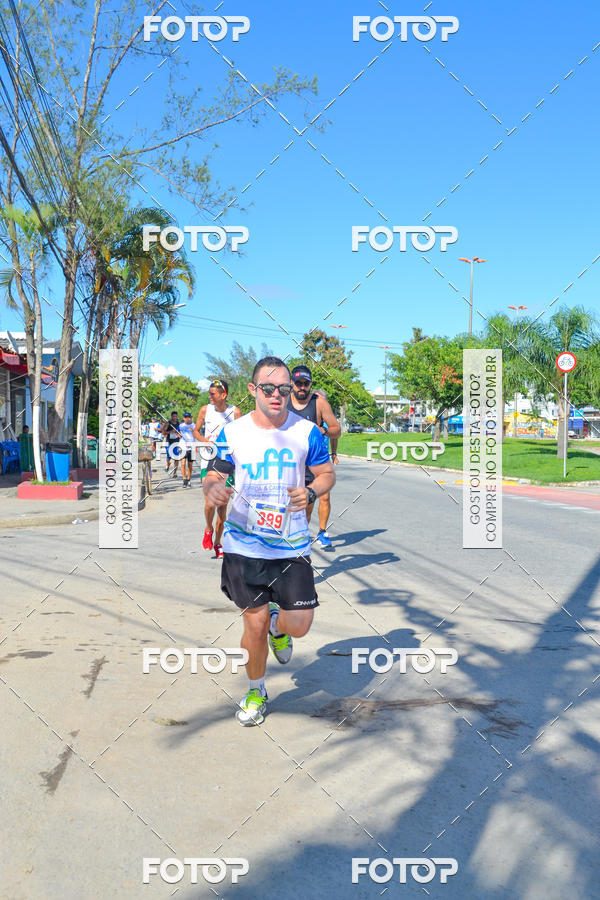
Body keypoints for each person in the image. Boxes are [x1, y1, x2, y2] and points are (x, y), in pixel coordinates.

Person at [204, 356, 335, 726]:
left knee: (300, 625)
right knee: (254, 625)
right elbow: (215, 473)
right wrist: (213, 490)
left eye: (283, 389)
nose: (277, 395)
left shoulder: (307, 431)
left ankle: (281, 626)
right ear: (253, 390)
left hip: (291, 545)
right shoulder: (234, 432)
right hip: (243, 545)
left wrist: (311, 492)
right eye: (268, 388)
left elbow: (326, 474)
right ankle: (256, 690)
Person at [287, 366, 341, 549]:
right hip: (287, 461)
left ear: (310, 384)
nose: (302, 387)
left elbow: (337, 430)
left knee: (310, 502)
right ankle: (291, 538)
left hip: (313, 462)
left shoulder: (319, 403)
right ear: (291, 384)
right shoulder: (283, 400)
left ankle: (317, 533)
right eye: (298, 383)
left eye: (306, 383)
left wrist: (323, 430)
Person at [194, 380, 242, 558]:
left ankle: (218, 542)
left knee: (222, 507)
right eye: (209, 393)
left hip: (228, 463)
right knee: (210, 502)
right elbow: (196, 431)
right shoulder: (205, 410)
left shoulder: (235, 412)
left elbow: (241, 436)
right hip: (208, 461)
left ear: (223, 395)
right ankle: (208, 528)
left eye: (213, 393)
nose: (210, 396)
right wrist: (204, 441)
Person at [162, 411, 181, 478]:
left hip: (176, 443)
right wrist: (171, 431)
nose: (174, 417)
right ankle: (167, 465)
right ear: (171, 416)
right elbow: (163, 432)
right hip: (169, 442)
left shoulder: (179, 424)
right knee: (169, 457)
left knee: (176, 458)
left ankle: (175, 473)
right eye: (173, 416)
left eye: (176, 416)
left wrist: (178, 434)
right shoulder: (168, 423)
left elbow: (181, 434)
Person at [179, 412, 195, 486]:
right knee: (182, 464)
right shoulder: (181, 425)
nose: (187, 418)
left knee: (190, 464)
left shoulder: (194, 425)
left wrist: (192, 430)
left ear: (191, 418)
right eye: (186, 417)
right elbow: (177, 432)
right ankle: (184, 479)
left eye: (189, 417)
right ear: (183, 418)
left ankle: (188, 479)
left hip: (191, 447)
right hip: (183, 446)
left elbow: (197, 434)